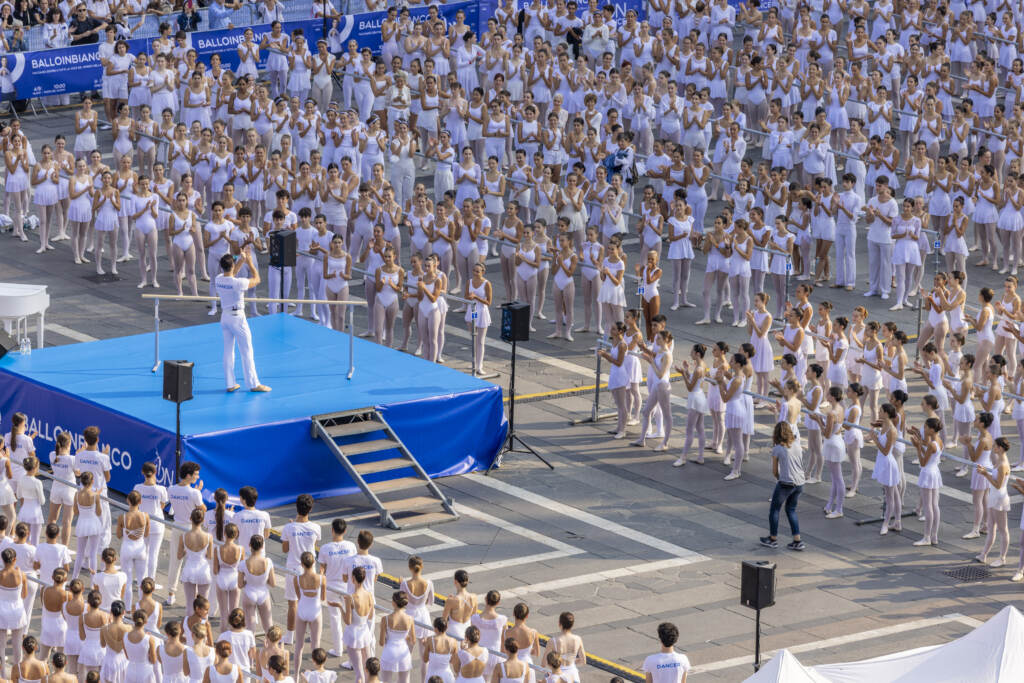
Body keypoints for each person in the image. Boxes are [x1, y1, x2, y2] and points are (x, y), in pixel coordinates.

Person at [215, 252, 271, 393]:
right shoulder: (238, 283)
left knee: (228, 351)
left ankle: (230, 383)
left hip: (225, 317)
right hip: (237, 318)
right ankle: (253, 383)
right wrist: (250, 263)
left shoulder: (218, 279)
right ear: (232, 266)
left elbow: (232, 272)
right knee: (247, 351)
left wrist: (241, 260)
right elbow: (257, 279)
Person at [760, 422, 806, 550]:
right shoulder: (797, 445)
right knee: (791, 510)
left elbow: (775, 471)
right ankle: (797, 540)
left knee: (774, 510)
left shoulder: (777, 449)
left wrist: (779, 479)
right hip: (800, 483)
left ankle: (773, 538)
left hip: (786, 483)